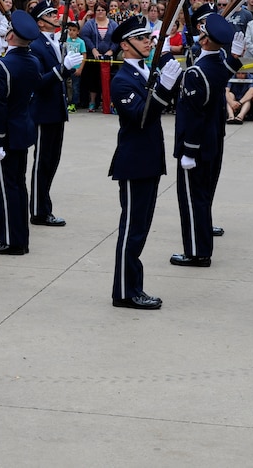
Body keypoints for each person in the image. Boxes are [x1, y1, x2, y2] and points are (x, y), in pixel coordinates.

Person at [109, 16, 183, 309]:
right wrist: (164, 88)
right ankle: (125, 292)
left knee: (140, 228)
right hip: (134, 163)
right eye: (141, 39)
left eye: (148, 38)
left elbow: (166, 103)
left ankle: (132, 287)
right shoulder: (122, 80)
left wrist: (170, 84)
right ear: (126, 46)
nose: (148, 42)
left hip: (149, 161)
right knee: (132, 229)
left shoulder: (143, 72)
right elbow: (141, 117)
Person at [170, 14, 239, 268]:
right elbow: (228, 70)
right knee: (202, 196)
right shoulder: (220, 62)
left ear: (206, 40)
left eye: (202, 34)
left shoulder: (197, 73)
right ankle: (201, 247)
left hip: (196, 146)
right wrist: (236, 59)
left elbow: (193, 116)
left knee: (191, 199)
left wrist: (188, 149)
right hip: (211, 141)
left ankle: (197, 253)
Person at [0, 11, 42, 256]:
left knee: (6, 190)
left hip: (6, 136)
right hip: (24, 131)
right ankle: (21, 239)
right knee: (18, 186)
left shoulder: (1, 66)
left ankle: (10, 240)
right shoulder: (34, 61)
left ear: (9, 35)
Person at [26, 0, 84, 227]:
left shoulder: (55, 42)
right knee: (42, 162)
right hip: (42, 112)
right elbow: (38, 82)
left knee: (52, 161)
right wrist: (62, 69)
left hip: (56, 110)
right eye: (51, 14)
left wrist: (67, 67)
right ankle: (39, 211)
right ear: (41, 22)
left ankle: (44, 205)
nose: (57, 16)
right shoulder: (36, 45)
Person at [63, 22, 86, 112]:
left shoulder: (81, 42)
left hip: (76, 68)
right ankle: (66, 102)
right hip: (67, 67)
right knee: (65, 85)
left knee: (75, 87)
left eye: (74, 30)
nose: (71, 32)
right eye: (70, 30)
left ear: (78, 32)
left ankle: (74, 104)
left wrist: (80, 68)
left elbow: (84, 55)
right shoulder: (66, 41)